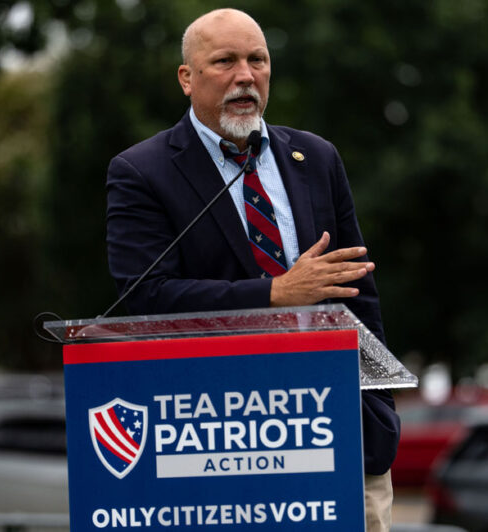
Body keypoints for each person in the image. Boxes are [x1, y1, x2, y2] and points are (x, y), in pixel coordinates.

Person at [105, 8, 400, 531]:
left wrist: (380, 410)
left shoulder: (317, 157)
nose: (246, 75)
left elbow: (358, 289)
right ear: (187, 77)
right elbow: (147, 297)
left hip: (337, 435)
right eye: (225, 61)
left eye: (257, 59)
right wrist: (274, 293)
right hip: (218, 440)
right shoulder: (141, 172)